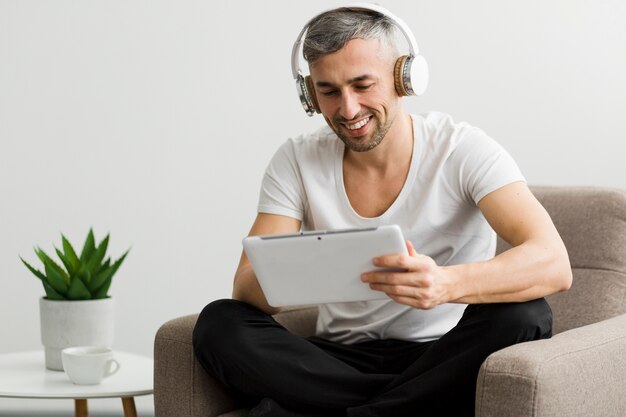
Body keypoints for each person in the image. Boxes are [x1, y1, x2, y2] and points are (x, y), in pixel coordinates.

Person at [193, 4, 572, 417]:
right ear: (309, 94)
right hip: (338, 361)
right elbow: (245, 290)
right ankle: (404, 406)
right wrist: (297, 273)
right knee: (219, 324)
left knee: (526, 313)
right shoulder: (296, 160)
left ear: (404, 78)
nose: (348, 110)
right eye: (329, 91)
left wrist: (444, 284)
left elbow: (553, 263)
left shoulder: (463, 149)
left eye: (362, 84)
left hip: (442, 354)